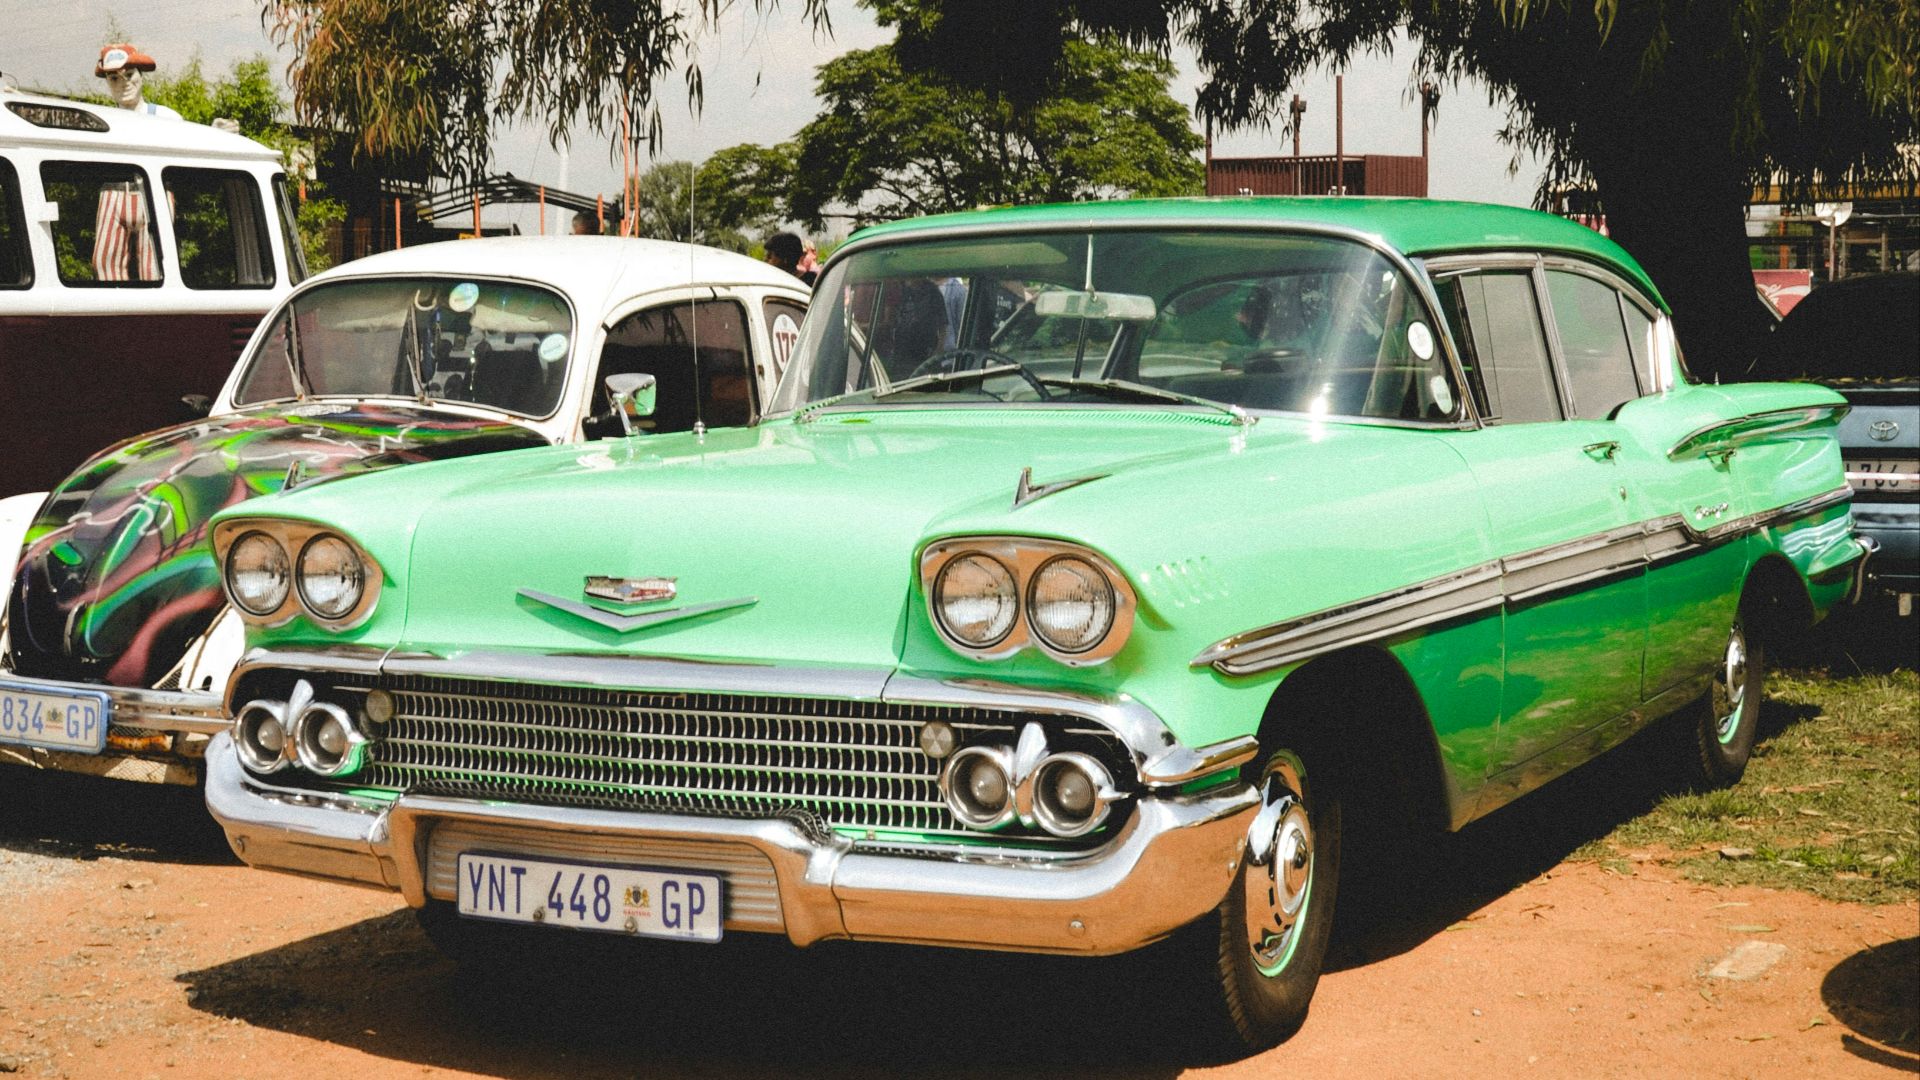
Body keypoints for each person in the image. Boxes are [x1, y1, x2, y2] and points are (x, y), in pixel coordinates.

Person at [95, 44, 181, 120]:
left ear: (141, 76)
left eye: (129, 75)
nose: (123, 83)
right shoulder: (105, 122)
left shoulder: (167, 117)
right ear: (107, 82)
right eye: (114, 78)